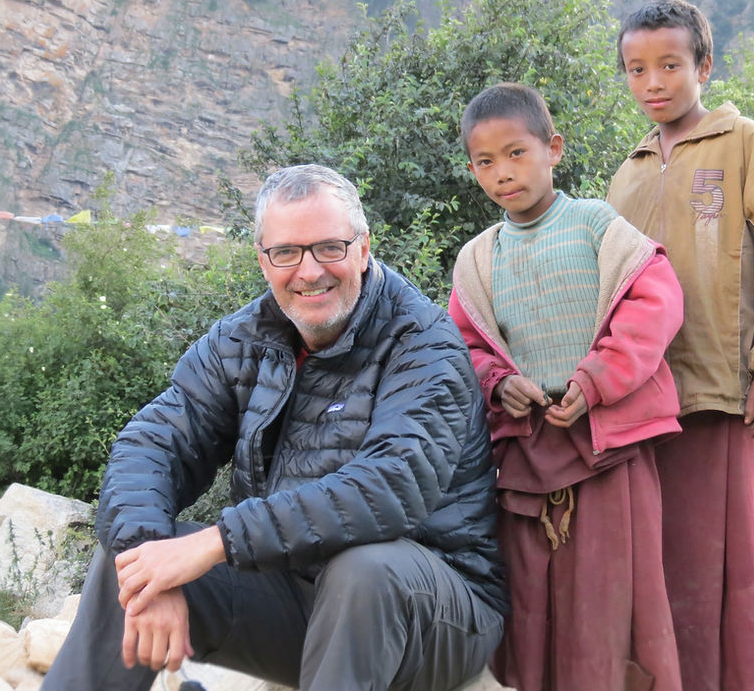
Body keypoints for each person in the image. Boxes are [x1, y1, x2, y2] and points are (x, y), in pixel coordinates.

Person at [44, 165, 506, 691]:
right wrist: (151, 565)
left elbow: (390, 488)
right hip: (296, 598)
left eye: (329, 247)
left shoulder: (423, 343)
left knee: (365, 570)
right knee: (135, 559)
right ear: (263, 260)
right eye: (286, 252)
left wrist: (217, 541)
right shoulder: (244, 339)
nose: (309, 271)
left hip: (433, 611)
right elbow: (153, 442)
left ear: (363, 248)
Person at [606, 0, 754, 691]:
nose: (653, 82)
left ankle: (722, 678)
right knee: (653, 557)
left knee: (713, 555)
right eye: (637, 68)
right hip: (642, 396)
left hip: (719, 389)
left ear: (703, 66)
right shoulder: (628, 172)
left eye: (669, 65)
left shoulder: (742, 142)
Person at [447, 83, 684, 691]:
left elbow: (655, 305)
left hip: (606, 443)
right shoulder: (478, 260)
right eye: (485, 161)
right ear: (472, 170)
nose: (503, 172)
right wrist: (499, 384)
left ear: (553, 149)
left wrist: (597, 379)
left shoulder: (596, 226)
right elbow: (463, 347)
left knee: (613, 591)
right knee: (532, 598)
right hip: (526, 453)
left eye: (517, 153)